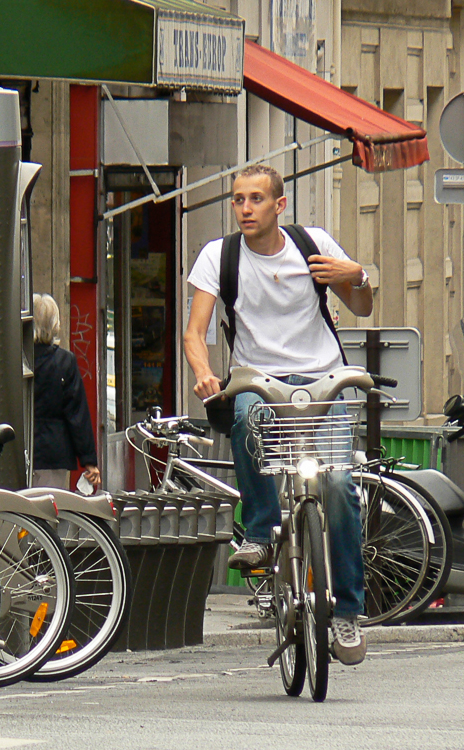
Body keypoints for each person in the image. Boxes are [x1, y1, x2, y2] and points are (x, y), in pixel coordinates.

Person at [182, 164, 373, 666]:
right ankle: (262, 533)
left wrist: (358, 275)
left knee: (336, 487)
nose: (245, 209)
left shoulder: (313, 244)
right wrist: (205, 375)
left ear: (279, 205)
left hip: (323, 382)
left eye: (256, 200)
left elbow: (362, 305)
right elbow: (194, 332)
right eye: (238, 200)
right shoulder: (218, 257)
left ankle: (349, 612)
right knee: (244, 416)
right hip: (258, 379)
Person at [32, 293, 101, 491]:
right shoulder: (64, 361)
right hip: (54, 452)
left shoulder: (17, 359)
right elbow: (77, 414)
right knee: (47, 512)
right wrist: (88, 460)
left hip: (19, 449)